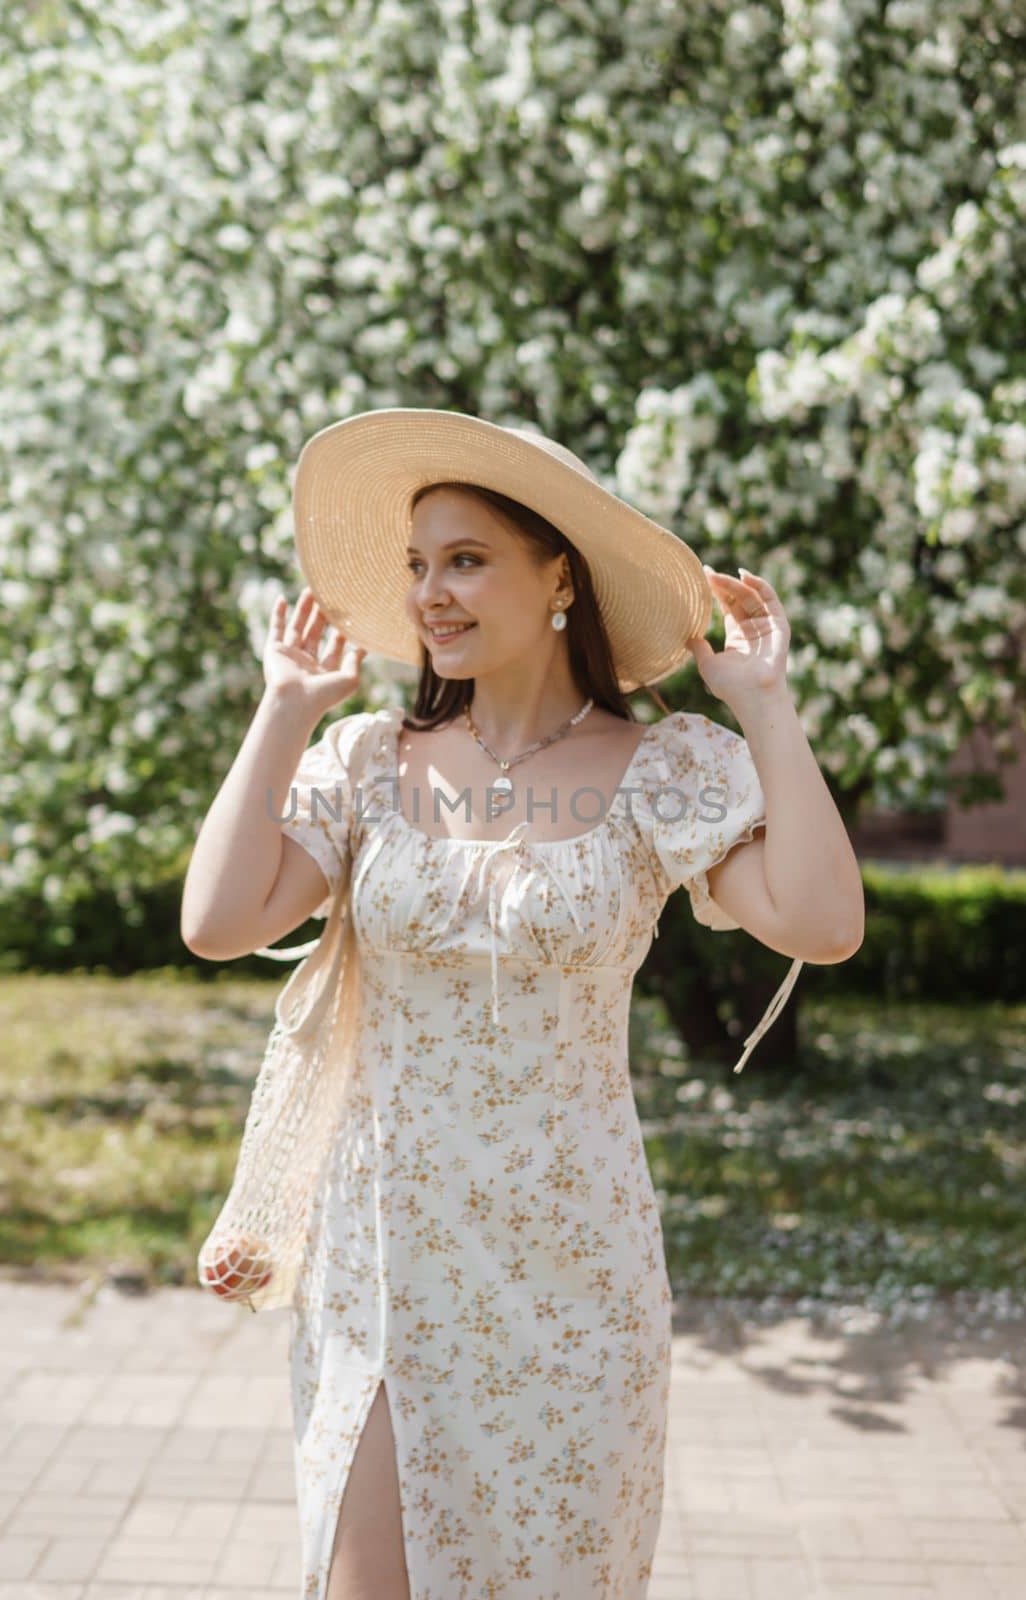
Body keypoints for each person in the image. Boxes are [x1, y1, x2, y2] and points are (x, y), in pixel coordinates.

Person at [182, 410, 865, 1600]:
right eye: (415, 565)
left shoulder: (663, 767)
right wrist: (284, 707)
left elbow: (820, 922)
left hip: (573, 1267)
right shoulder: (363, 760)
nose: (429, 593)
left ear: (559, 578)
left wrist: (766, 706)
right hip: (386, 1258)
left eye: (465, 559)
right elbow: (218, 919)